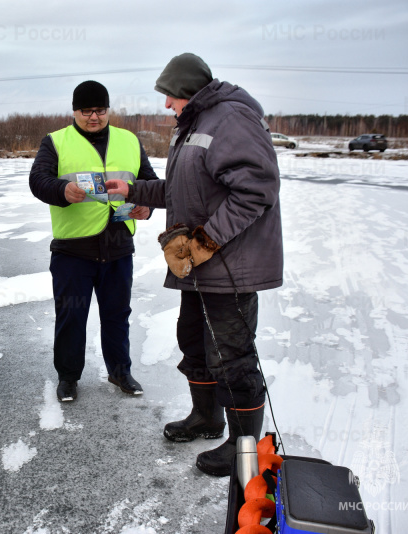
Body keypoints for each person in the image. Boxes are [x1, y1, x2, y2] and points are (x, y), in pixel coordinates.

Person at [105, 53, 283, 477]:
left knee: (233, 357)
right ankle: (206, 418)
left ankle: (244, 449)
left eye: (170, 96)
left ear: (189, 91)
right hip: (199, 266)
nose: (167, 105)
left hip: (229, 267)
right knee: (195, 343)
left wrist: (205, 240)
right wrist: (133, 189)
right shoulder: (197, 125)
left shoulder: (230, 120)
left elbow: (256, 191)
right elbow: (185, 188)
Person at [29, 80, 159, 402]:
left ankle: (120, 372)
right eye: (86, 111)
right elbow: (38, 180)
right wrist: (61, 190)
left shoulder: (129, 141)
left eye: (99, 110)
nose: (93, 117)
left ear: (107, 110)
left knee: (117, 314)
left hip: (117, 245)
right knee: (72, 316)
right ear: (75, 111)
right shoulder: (56, 142)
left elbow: (150, 182)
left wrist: (147, 204)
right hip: (74, 248)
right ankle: (69, 378)